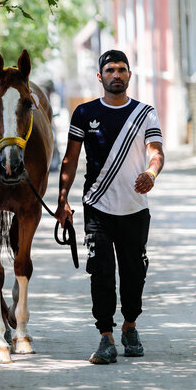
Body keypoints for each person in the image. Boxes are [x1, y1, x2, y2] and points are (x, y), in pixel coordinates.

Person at [55, 50, 164, 364]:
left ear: (129, 75)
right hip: (97, 208)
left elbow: (156, 152)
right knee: (100, 274)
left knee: (134, 274)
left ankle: (130, 326)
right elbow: (70, 160)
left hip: (135, 209)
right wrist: (62, 201)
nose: (117, 75)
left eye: (122, 69)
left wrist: (151, 173)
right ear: (100, 76)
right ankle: (105, 337)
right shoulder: (83, 113)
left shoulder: (145, 113)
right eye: (110, 70)